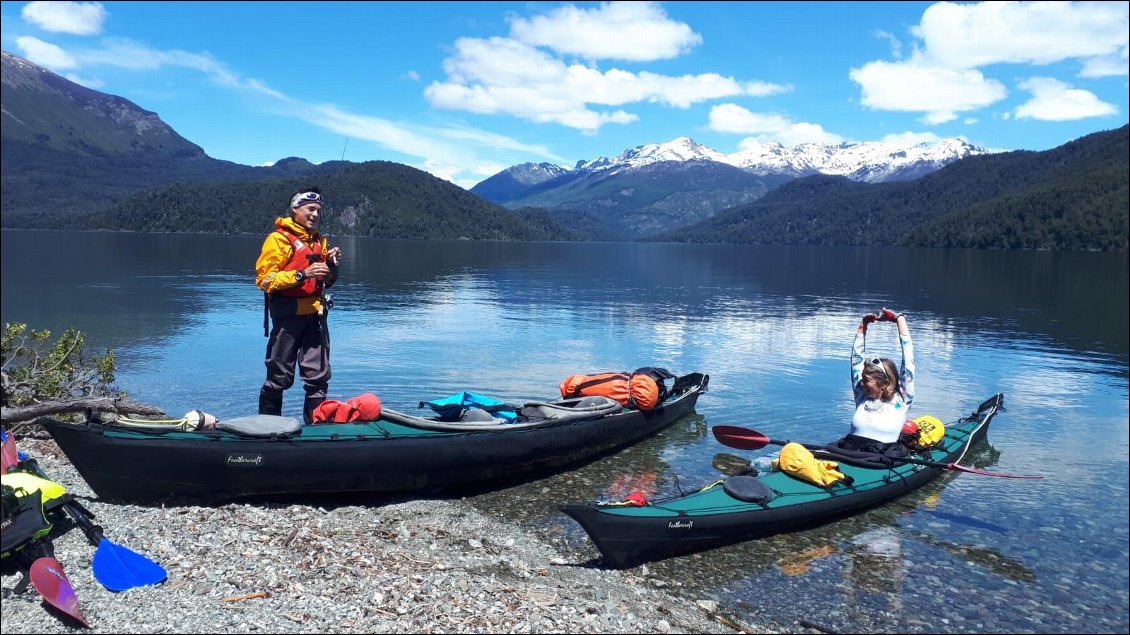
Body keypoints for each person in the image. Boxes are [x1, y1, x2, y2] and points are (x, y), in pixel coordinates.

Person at [255, 187, 342, 425]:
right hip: (288, 316)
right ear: (295, 210)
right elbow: (265, 280)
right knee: (278, 374)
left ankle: (316, 431)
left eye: (318, 211)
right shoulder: (279, 239)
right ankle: (266, 428)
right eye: (310, 209)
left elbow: (327, 282)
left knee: (318, 376)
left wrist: (331, 266)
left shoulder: (319, 241)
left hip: (315, 316)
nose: (315, 215)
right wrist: (302, 274)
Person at [836, 308, 915, 456]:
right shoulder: (862, 395)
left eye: (866, 380)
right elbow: (855, 361)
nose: (861, 382)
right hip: (849, 452)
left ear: (884, 382)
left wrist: (899, 319)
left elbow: (908, 361)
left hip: (882, 459)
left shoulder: (902, 399)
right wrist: (863, 324)